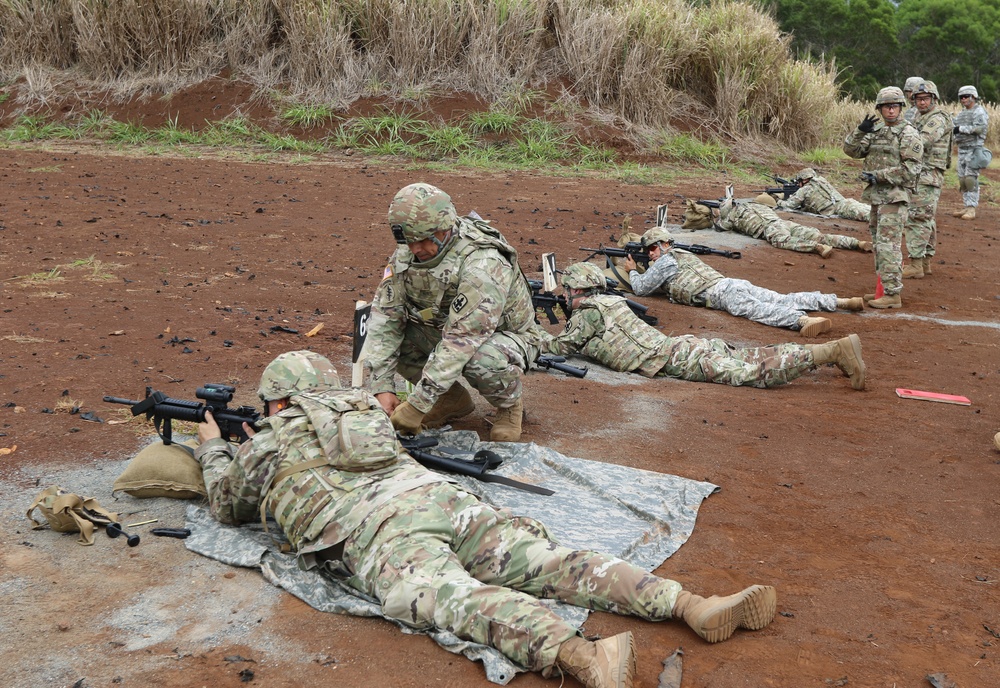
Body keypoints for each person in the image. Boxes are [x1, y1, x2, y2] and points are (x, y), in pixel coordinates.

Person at [195, 350, 779, 688]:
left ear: (275, 403)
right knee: (552, 563)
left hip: (379, 532)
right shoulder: (361, 415)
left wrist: (214, 445)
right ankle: (689, 604)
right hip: (443, 500)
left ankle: (585, 657)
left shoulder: (269, 439)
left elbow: (226, 505)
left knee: (458, 599)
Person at [365, 182, 544, 442]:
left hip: (504, 336)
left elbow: (464, 338)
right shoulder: (408, 251)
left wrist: (418, 405)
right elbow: (386, 318)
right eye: (409, 240)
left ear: (444, 228)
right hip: (447, 329)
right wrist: (381, 386)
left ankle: (508, 405)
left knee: (481, 359)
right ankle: (450, 399)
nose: (415, 249)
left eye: (423, 240)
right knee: (397, 336)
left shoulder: (483, 262)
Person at [543, 263, 866, 390]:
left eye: (568, 290)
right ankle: (828, 352)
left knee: (751, 372)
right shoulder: (610, 302)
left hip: (675, 357)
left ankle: (829, 352)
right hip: (681, 346)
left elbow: (561, 347)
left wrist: (529, 335)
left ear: (579, 291)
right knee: (752, 356)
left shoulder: (589, 313)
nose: (566, 295)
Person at [621, 226, 865, 338]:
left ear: (665, 245)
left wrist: (633, 271)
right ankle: (840, 301)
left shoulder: (666, 261)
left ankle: (801, 320)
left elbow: (641, 289)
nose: (651, 253)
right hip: (732, 284)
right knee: (782, 297)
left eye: (653, 248)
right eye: (648, 250)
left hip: (722, 294)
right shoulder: (682, 254)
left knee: (759, 311)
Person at [843, 86, 923, 309]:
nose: (890, 110)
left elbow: (911, 170)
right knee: (879, 245)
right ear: (879, 109)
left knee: (889, 246)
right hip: (877, 199)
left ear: (900, 108)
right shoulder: (876, 131)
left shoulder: (908, 134)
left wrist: (878, 176)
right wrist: (860, 130)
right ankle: (883, 288)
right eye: (886, 106)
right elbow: (852, 151)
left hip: (895, 198)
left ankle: (892, 293)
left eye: (895, 106)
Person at [718, 192, 872, 257]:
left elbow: (722, 226)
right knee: (821, 235)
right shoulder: (757, 204)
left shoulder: (732, 215)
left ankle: (815, 247)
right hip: (783, 222)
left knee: (783, 241)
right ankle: (857, 243)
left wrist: (718, 215)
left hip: (768, 228)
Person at [902, 81, 952, 279]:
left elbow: (922, 141)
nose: (921, 103)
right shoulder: (921, 116)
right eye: (918, 99)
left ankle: (916, 263)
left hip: (927, 174)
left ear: (934, 99)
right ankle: (924, 261)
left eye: (925, 99)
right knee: (926, 217)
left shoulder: (936, 119)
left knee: (917, 217)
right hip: (922, 174)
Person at [952, 85, 990, 220]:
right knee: (962, 180)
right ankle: (966, 206)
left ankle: (971, 208)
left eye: (966, 96)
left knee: (970, 180)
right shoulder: (962, 113)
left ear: (973, 97)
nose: (963, 99)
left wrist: (960, 129)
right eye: (961, 97)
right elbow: (953, 128)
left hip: (974, 149)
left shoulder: (979, 111)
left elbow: (979, 129)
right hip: (962, 149)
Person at [777, 168, 871, 222]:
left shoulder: (805, 189)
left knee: (871, 217)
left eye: (799, 181)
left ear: (804, 179)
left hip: (841, 209)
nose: (798, 183)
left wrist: (778, 201)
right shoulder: (822, 181)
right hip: (847, 202)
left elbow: (789, 206)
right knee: (873, 211)